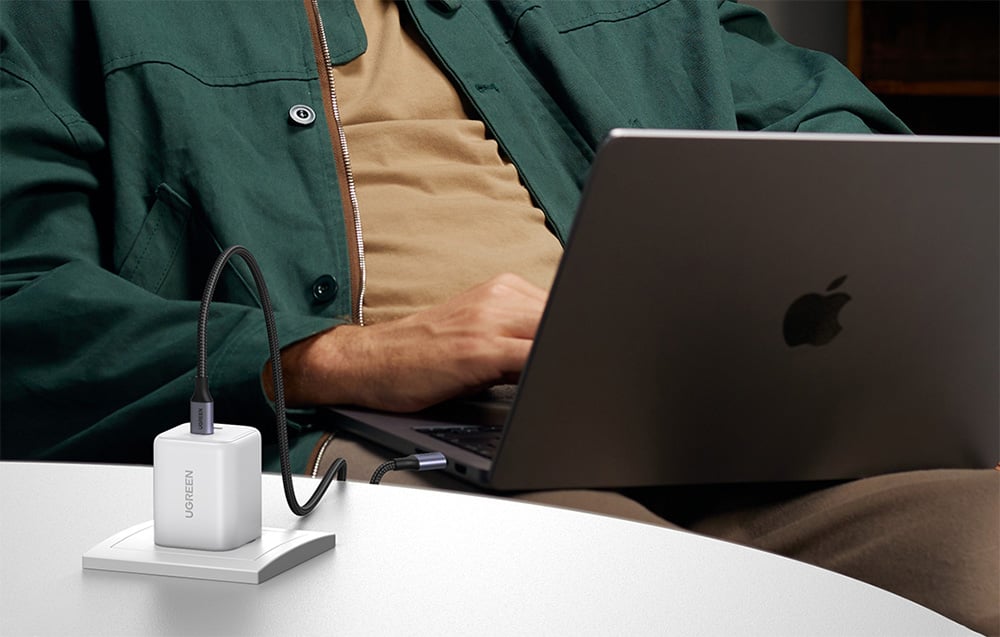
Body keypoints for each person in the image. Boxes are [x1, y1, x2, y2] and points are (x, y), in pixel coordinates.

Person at [1, 1, 996, 633]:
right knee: (619, 585)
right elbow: (23, 297)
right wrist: (338, 356)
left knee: (981, 549)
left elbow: (822, 121)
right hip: (384, 439)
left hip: (707, 413)